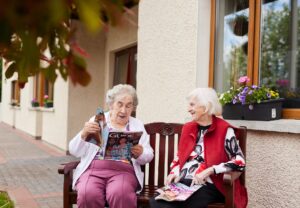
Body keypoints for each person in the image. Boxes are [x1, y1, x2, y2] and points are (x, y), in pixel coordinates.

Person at [150, 88, 247, 208]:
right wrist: (174, 172)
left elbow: (240, 161)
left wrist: (210, 170)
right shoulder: (188, 128)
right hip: (184, 182)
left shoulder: (224, 130)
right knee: (156, 202)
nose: (188, 109)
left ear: (205, 106)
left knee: (184, 205)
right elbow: (179, 157)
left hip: (210, 185)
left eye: (192, 105)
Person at [69, 84, 154, 208]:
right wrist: (83, 134)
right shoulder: (97, 120)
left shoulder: (137, 125)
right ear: (111, 104)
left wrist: (141, 153)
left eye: (128, 105)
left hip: (123, 172)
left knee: (120, 194)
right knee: (88, 193)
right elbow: (73, 150)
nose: (123, 110)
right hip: (93, 171)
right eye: (120, 104)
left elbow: (149, 155)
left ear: (133, 108)